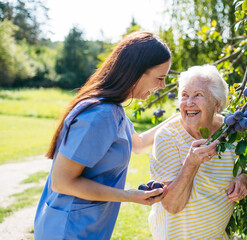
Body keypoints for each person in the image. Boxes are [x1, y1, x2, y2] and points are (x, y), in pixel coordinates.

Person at [34, 31, 176, 240]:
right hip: (67, 231)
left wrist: (181, 117)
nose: (162, 86)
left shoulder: (114, 110)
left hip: (85, 228)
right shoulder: (100, 115)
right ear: (136, 72)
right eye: (160, 78)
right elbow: (61, 182)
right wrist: (128, 196)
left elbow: (138, 144)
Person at [148, 65, 247, 239]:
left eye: (198, 95)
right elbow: (172, 205)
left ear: (217, 104)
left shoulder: (233, 131)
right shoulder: (167, 137)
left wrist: (243, 179)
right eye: (185, 95)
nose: (189, 103)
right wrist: (191, 163)